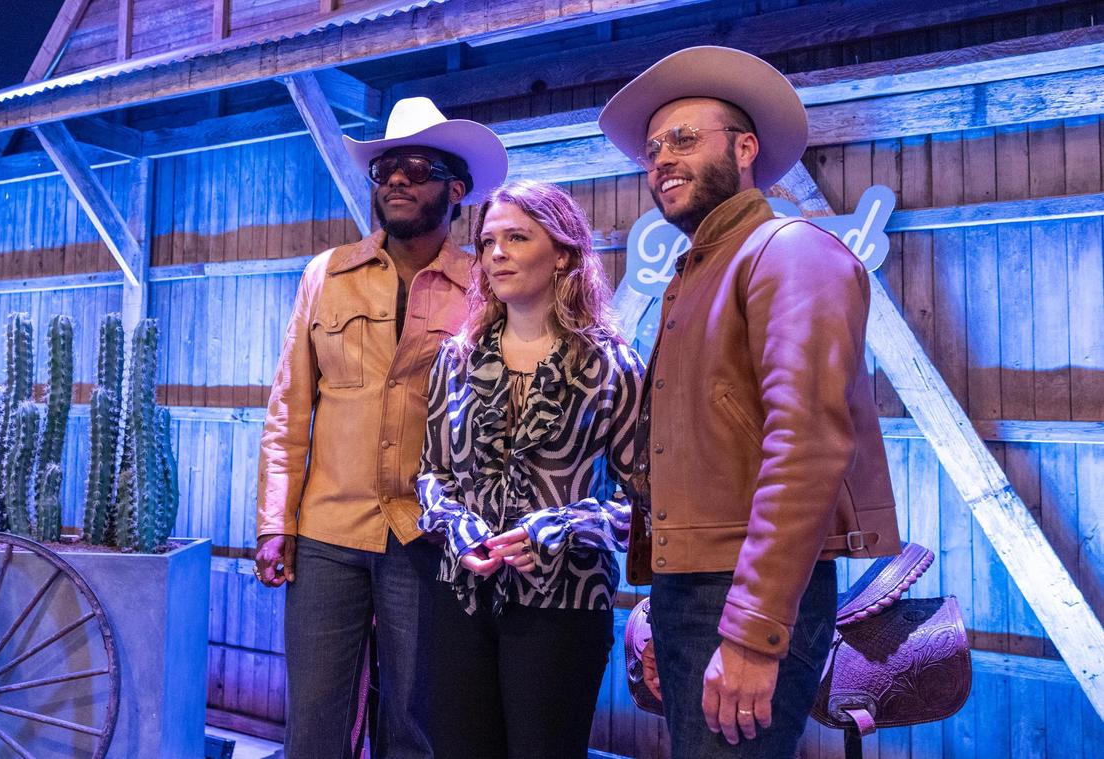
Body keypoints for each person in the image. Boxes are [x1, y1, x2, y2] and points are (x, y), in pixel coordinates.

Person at [598, 47, 902, 757]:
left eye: (683, 139)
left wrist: (754, 628)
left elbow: (807, 443)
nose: (661, 160)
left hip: (741, 591)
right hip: (695, 586)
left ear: (744, 148)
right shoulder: (700, 269)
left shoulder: (788, 250)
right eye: (651, 150)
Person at [254, 96, 507, 759]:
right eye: (385, 168)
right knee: (313, 725)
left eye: (416, 167)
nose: (395, 179)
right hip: (326, 533)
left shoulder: (483, 289)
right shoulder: (325, 277)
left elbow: (499, 420)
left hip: (426, 536)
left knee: (414, 726)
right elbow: (289, 408)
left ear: (455, 189)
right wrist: (274, 521)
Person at [416, 180, 645, 759]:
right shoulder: (457, 357)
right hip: (460, 594)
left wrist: (563, 527)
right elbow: (431, 474)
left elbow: (643, 503)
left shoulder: (612, 363)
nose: (496, 253)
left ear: (564, 253)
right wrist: (456, 527)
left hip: (565, 604)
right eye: (489, 240)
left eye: (517, 237)